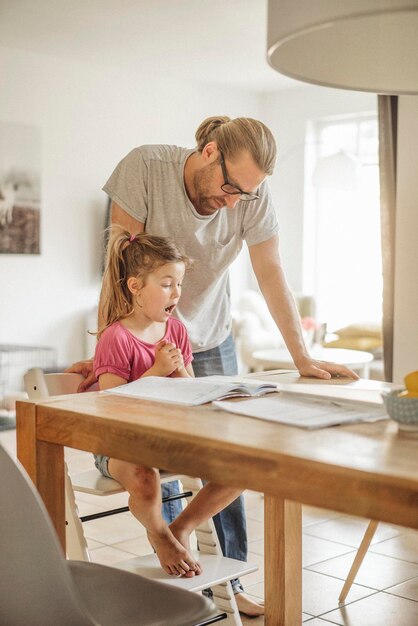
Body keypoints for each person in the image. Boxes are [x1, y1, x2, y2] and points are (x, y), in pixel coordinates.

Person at [68, 115, 358, 615]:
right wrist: (109, 350)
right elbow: (116, 269)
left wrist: (302, 356)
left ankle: (228, 575)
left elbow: (270, 272)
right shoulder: (145, 167)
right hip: (142, 335)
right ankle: (176, 567)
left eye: (243, 195)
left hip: (205, 335)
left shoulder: (251, 194)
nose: (232, 202)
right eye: (229, 187)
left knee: (233, 453)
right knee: (158, 457)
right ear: (208, 151)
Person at [93, 225, 242, 577]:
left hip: (167, 440)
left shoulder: (176, 331)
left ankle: (182, 527)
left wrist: (179, 376)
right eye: (165, 284)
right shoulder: (116, 337)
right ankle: (161, 535)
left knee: (243, 468)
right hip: (118, 445)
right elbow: (108, 408)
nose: (176, 292)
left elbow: (189, 392)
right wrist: (158, 370)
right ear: (135, 287)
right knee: (145, 481)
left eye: (179, 283)